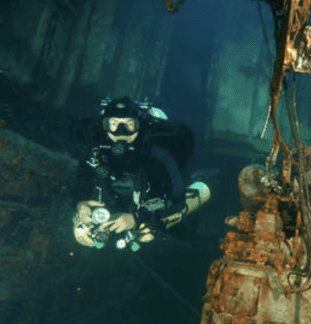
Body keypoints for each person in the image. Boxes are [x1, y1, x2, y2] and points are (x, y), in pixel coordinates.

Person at [72, 96, 210, 250]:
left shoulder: (157, 154)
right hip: (118, 206)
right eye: (113, 124)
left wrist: (137, 218)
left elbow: (175, 197)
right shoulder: (96, 151)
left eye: (129, 125)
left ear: (139, 125)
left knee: (181, 233)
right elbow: (80, 184)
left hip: (151, 209)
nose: (120, 132)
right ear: (105, 125)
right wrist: (80, 204)